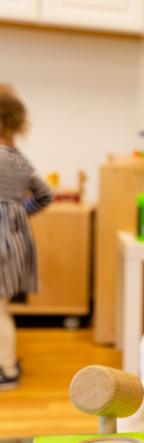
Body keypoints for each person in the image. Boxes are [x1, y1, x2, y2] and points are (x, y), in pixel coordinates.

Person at [0, 83, 52, 390]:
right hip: (16, 246)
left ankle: (6, 368)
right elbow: (45, 195)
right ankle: (6, 359)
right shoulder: (20, 160)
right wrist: (20, 214)